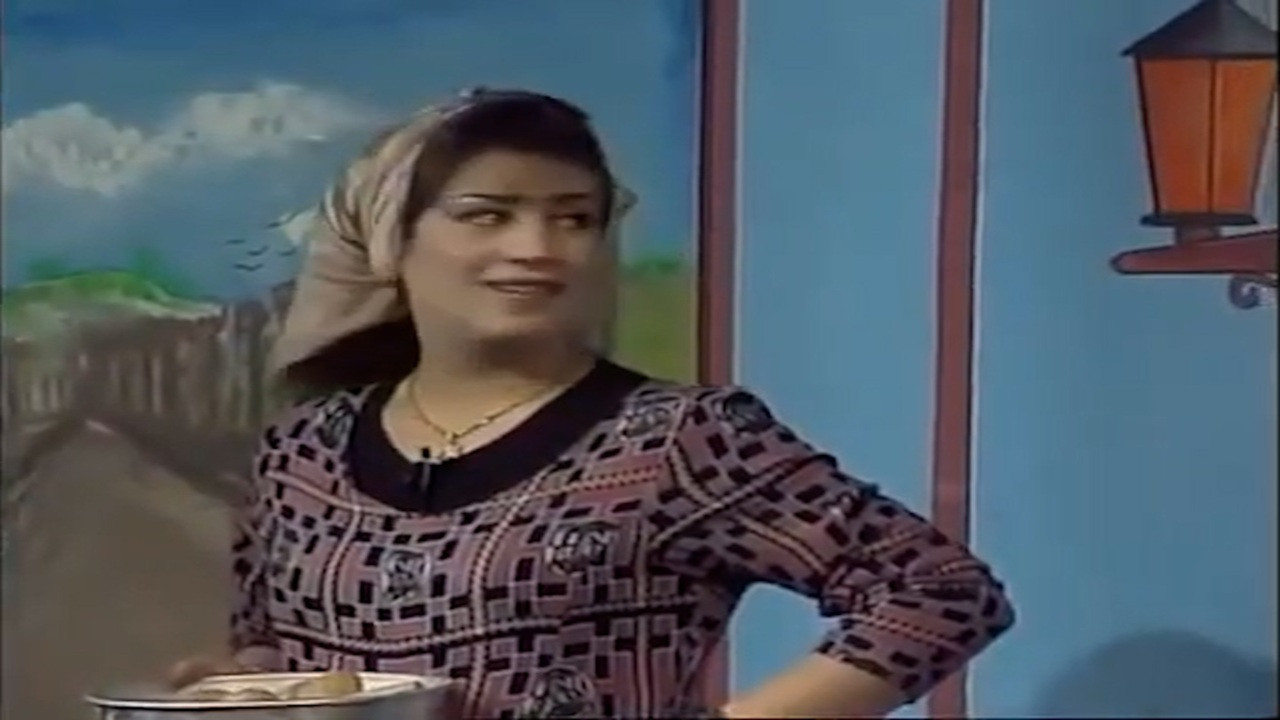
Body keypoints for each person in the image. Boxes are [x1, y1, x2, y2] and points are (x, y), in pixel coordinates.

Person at [169, 88, 1014, 719]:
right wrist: (241, 687)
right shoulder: (302, 450)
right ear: (393, 238)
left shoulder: (678, 439)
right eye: (487, 215)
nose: (536, 248)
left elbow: (940, 592)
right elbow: (277, 645)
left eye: (573, 219)